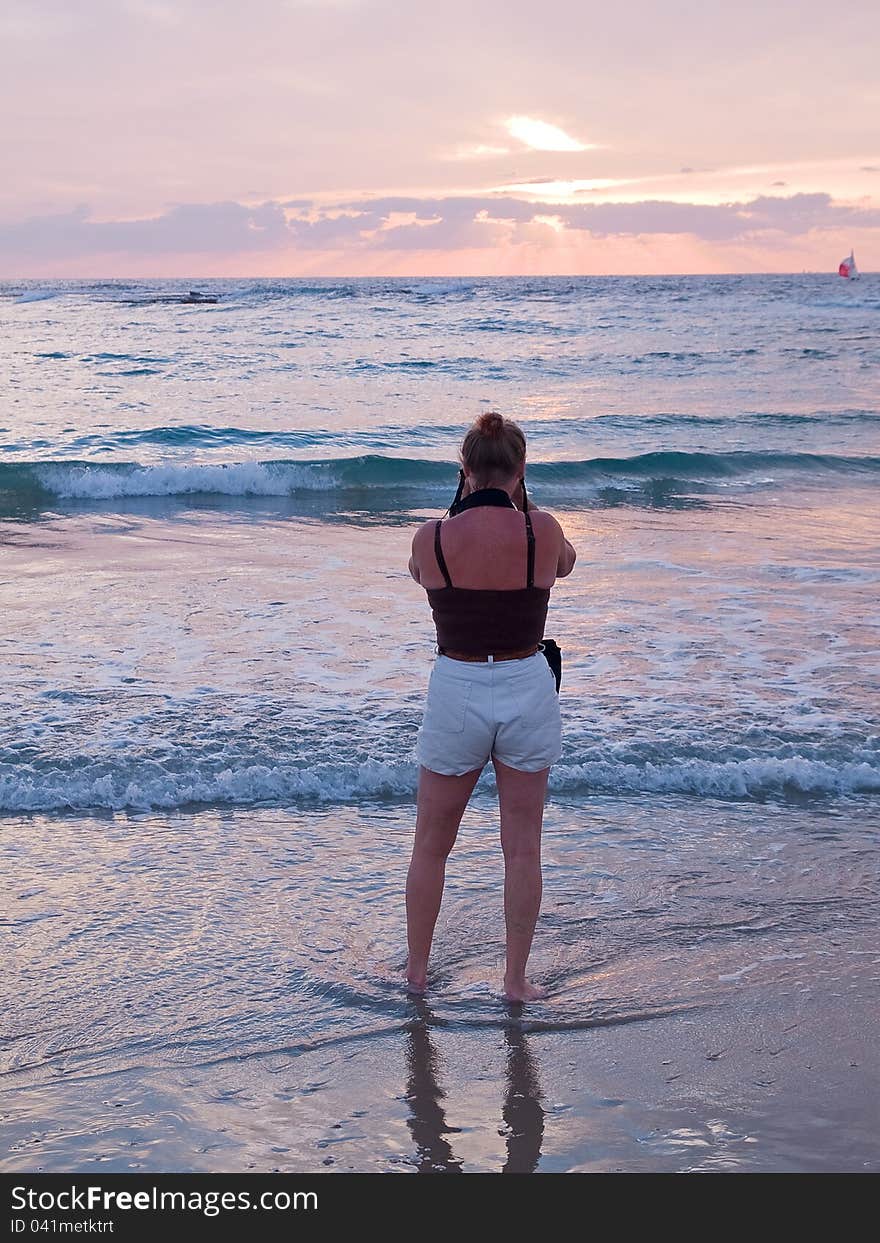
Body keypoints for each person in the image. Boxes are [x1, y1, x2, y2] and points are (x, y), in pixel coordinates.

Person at [405, 411, 577, 1002]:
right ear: (521, 468)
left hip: (458, 687)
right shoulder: (543, 530)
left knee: (432, 841)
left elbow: (418, 573)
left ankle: (418, 974)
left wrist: (459, 510)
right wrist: (525, 509)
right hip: (527, 684)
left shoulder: (431, 537)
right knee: (522, 843)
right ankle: (514, 980)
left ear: (465, 470)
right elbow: (565, 566)